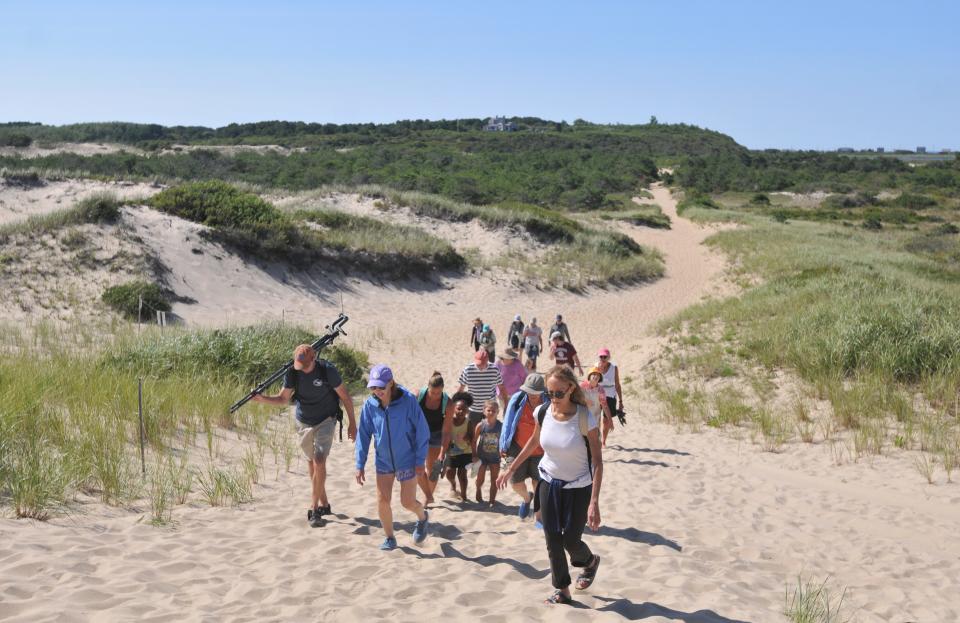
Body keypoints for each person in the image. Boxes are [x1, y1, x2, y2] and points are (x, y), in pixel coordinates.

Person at [497, 365, 603, 605]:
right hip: (548, 482)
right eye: (549, 393)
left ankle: (589, 562)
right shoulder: (543, 412)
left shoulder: (585, 417)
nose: (553, 399)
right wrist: (511, 468)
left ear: (570, 388)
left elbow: (597, 461)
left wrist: (594, 501)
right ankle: (563, 590)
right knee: (552, 538)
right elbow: (534, 440)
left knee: (571, 541)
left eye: (558, 393)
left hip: (578, 487)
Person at [252, 344, 357, 528]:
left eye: (304, 365)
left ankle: (314, 509)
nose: (300, 368)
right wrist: (262, 399)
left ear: (313, 358)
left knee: (319, 460)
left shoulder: (327, 371)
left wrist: (353, 424)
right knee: (312, 463)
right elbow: (283, 399)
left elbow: (346, 397)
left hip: (326, 419)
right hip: (304, 421)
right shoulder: (292, 371)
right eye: (297, 364)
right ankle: (324, 503)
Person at [355, 364, 430, 551]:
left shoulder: (407, 401)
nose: (377, 391)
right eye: (373, 387)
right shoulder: (370, 406)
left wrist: (420, 460)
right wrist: (360, 463)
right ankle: (390, 538)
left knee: (407, 502)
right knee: (382, 501)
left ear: (390, 383)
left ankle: (422, 517)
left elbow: (422, 431)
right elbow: (363, 436)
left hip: (407, 459)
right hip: (384, 461)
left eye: (381, 386)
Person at [499, 372, 548, 523]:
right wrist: (503, 447)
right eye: (529, 391)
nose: (532, 395)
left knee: (537, 483)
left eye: (535, 392)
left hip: (540, 450)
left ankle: (539, 515)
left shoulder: (549, 403)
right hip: (517, 447)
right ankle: (527, 499)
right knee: (516, 483)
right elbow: (507, 423)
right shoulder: (517, 399)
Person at [416, 371, 454, 505]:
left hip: (437, 434)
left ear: (443, 390)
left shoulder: (448, 403)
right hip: (419, 433)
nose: (435, 396)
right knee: (416, 466)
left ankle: (428, 497)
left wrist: (443, 452)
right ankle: (427, 493)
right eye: (432, 392)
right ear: (427, 388)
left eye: (438, 393)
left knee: (433, 469)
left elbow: (447, 431)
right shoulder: (418, 396)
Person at [457, 349, 506, 441]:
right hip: (473, 409)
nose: (480, 366)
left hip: (490, 410)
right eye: (478, 363)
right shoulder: (468, 370)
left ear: (487, 360)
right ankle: (473, 454)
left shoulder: (494, 369)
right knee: (472, 436)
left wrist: (506, 404)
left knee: (488, 437)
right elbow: (461, 389)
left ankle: (485, 455)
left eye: (482, 363)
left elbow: (502, 387)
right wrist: (455, 404)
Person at [442, 392, 474, 501]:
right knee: (449, 473)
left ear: (467, 411)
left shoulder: (468, 422)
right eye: (458, 408)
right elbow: (444, 434)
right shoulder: (448, 420)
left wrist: (466, 438)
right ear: (454, 408)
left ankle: (464, 495)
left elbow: (472, 438)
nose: (461, 411)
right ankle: (453, 485)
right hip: (452, 452)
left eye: (464, 410)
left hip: (465, 452)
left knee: (462, 475)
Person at [472, 399, 502, 506]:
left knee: (494, 479)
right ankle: (478, 489)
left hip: (495, 457)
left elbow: (503, 442)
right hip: (481, 456)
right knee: (480, 478)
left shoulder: (501, 426)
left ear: (498, 412)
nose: (491, 412)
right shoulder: (480, 425)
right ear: (484, 411)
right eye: (488, 410)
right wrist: (474, 455)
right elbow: (474, 441)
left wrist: (503, 454)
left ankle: (492, 500)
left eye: (493, 411)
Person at [581, 368, 614, 447]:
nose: (596, 376)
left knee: (595, 440)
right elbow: (575, 397)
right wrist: (585, 400)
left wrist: (610, 420)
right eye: (594, 374)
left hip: (595, 418)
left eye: (598, 375)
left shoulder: (600, 390)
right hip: (583, 417)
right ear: (589, 376)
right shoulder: (582, 386)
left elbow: (605, 406)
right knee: (583, 440)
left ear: (600, 379)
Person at [596, 348, 624, 427]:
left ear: (609, 358)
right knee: (596, 419)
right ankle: (597, 437)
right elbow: (590, 383)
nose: (603, 358)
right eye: (601, 357)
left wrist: (621, 401)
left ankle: (603, 440)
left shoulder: (614, 368)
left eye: (605, 357)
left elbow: (617, 385)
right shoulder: (595, 367)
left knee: (606, 420)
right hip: (597, 396)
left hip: (610, 396)